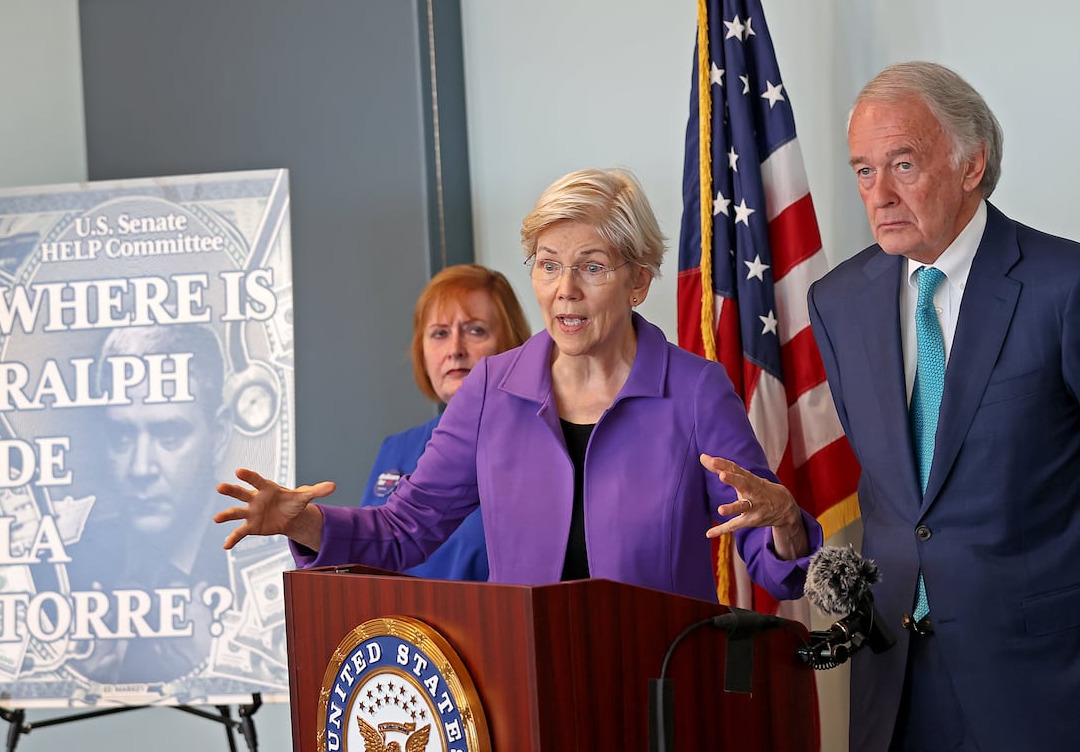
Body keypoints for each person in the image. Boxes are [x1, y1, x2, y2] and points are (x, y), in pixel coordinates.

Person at [216, 168, 823, 602]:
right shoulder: (489, 390)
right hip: (522, 686)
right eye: (549, 264)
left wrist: (786, 523)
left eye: (592, 267)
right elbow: (404, 530)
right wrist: (304, 523)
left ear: (638, 282)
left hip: (656, 690)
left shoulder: (694, 390)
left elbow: (772, 568)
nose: (566, 290)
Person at [808, 62, 1080, 751]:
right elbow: (896, 493)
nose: (880, 194)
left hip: (1052, 680)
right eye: (864, 171)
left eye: (903, 164)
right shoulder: (837, 301)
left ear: (972, 165)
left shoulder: (1074, 289)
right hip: (897, 679)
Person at [68, 323, 234, 683]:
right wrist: (79, 679)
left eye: (169, 434)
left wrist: (218, 667)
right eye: (122, 435)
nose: (141, 468)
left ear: (218, 436)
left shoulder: (256, 563)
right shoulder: (67, 567)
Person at [360, 264, 530, 580]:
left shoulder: (542, 442)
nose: (455, 350)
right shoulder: (397, 448)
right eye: (440, 333)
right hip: (404, 629)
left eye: (475, 330)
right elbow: (370, 563)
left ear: (513, 345)